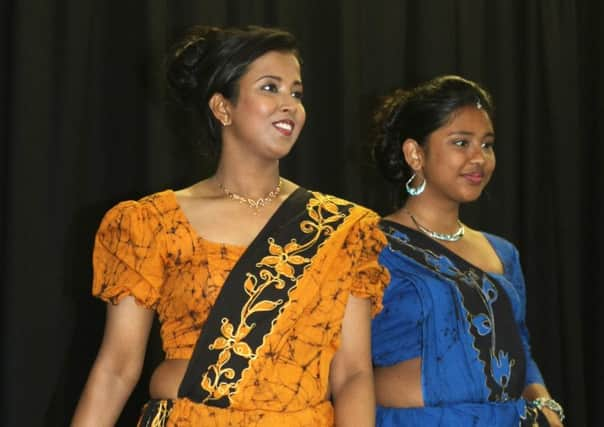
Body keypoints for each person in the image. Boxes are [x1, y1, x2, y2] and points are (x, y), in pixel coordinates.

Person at [71, 25, 389, 427]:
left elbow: (354, 374)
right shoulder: (152, 222)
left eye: (296, 92)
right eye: (270, 88)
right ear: (222, 108)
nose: (289, 104)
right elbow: (117, 367)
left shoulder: (344, 228)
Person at [369, 75, 564, 426]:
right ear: (415, 153)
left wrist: (545, 404)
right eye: (461, 143)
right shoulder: (370, 245)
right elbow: (342, 363)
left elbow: (518, 343)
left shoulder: (502, 252)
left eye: (487, 145)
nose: (479, 158)